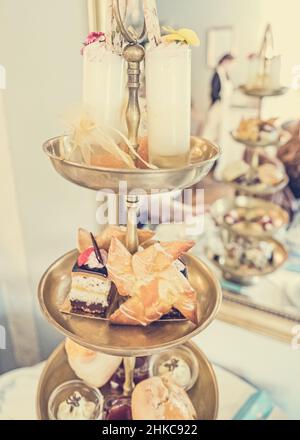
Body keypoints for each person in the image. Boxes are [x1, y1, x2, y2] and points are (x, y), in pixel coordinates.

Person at [203, 53, 237, 180]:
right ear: (226, 61)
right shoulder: (217, 74)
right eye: (231, 63)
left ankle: (216, 164)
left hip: (224, 110)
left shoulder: (226, 74)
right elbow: (214, 93)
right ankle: (204, 162)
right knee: (210, 134)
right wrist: (221, 103)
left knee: (221, 136)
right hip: (217, 109)